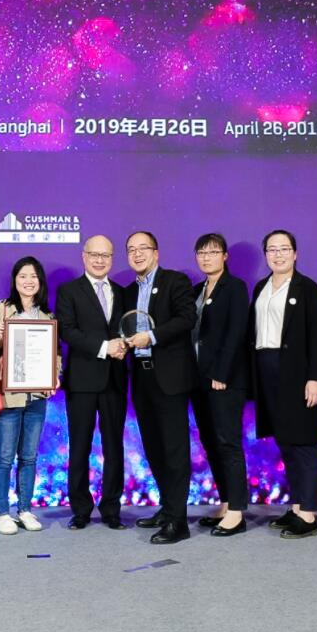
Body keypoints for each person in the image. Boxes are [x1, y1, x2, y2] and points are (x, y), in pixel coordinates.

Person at [247, 230, 317, 539]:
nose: (278, 254)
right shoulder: (261, 287)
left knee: (303, 440)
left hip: (297, 372)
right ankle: (296, 506)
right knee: (286, 440)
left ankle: (308, 515)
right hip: (266, 369)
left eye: (284, 249)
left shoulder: (307, 288)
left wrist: (315, 378)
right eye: (272, 249)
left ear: (295, 253)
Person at [122, 231, 197, 544]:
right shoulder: (128, 291)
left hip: (170, 377)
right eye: (132, 249)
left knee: (174, 449)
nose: (137, 254)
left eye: (144, 248)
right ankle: (167, 508)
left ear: (156, 252)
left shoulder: (175, 281)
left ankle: (178, 521)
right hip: (142, 377)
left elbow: (187, 318)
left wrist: (151, 337)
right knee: (153, 446)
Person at [0, 257, 61, 535]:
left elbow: (55, 353)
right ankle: (2, 513)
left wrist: (55, 375)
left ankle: (25, 509)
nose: (28, 281)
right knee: (4, 456)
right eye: (23, 276)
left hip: (36, 397)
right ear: (15, 280)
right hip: (7, 395)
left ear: (41, 282)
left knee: (29, 457)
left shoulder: (48, 316)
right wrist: (0, 339)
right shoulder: (0, 310)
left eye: (34, 276)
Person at [55, 235, 129, 530]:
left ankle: (111, 508)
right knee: (79, 447)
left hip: (115, 380)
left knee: (114, 447)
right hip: (82, 380)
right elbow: (68, 331)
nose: (100, 260)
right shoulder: (69, 291)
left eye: (106, 255)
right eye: (94, 255)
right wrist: (104, 347)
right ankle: (81, 509)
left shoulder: (123, 292)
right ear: (84, 256)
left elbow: (129, 328)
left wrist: (124, 345)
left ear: (112, 258)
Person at [189, 233, 251, 536]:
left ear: (225, 256)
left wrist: (221, 374)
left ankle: (237, 511)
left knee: (228, 442)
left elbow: (236, 333)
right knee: (211, 442)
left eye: (213, 252)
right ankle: (226, 503)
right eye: (201, 253)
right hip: (199, 379)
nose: (207, 257)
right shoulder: (196, 290)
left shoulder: (235, 287)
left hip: (224, 380)